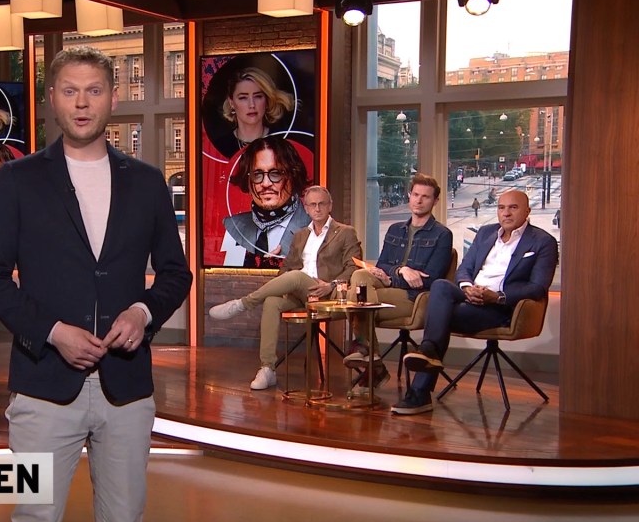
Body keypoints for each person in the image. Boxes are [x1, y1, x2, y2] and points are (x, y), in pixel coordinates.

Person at [0, 46, 192, 522]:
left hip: (126, 388)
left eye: (93, 91)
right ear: (52, 98)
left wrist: (142, 312)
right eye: (70, 91)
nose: (81, 103)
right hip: (43, 386)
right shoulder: (18, 180)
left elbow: (175, 273)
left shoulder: (147, 182)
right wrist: (52, 331)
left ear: (113, 98)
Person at [392, 189, 558, 415]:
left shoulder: (543, 241)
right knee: (440, 285)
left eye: (513, 208)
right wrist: (467, 288)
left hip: (498, 307)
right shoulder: (486, 233)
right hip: (470, 295)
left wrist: (497, 296)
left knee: (441, 316)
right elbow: (464, 269)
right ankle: (428, 352)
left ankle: (420, 390)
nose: (506, 213)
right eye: (501, 208)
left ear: (527, 211)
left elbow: (537, 287)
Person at [209, 186, 362, 390]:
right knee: (272, 301)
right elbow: (286, 268)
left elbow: (353, 266)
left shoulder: (345, 232)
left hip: (328, 293)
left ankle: (243, 304)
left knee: (297, 276)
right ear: (306, 208)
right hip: (300, 293)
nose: (317, 209)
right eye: (312, 205)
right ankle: (267, 368)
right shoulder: (300, 235)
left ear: (330, 206)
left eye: (321, 204)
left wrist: (331, 285)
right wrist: (282, 286)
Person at [345, 174, 454, 394]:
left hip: (415, 299)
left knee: (355, 299)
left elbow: (430, 279)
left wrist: (390, 278)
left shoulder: (442, 234)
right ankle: (371, 356)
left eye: (425, 197)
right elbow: (383, 265)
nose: (419, 200)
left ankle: (370, 360)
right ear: (409, 195)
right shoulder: (395, 229)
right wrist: (400, 271)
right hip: (388, 288)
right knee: (359, 277)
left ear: (435, 201)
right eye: (415, 195)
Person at [222, 135, 312, 268]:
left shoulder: (314, 229)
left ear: (293, 176)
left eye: (275, 173)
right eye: (257, 175)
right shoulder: (232, 227)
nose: (265, 183)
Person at [220, 66, 295, 153]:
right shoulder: (221, 146)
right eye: (243, 98)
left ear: (267, 100)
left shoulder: (283, 144)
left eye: (258, 96)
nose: (252, 105)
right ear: (231, 103)